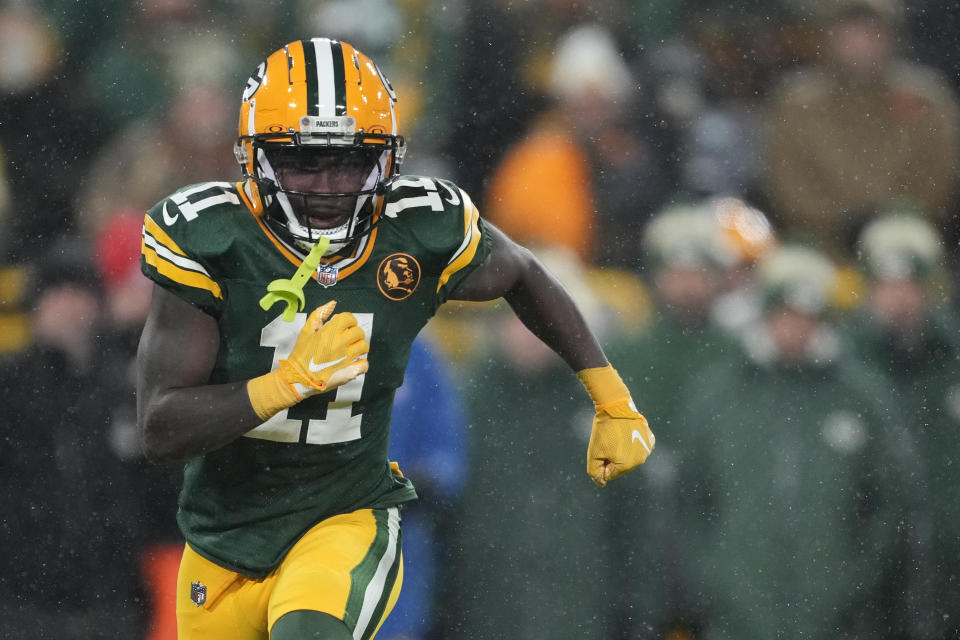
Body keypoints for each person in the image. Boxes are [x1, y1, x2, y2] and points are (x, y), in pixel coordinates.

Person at [136, 37, 655, 640]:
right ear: (255, 157)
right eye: (303, 161)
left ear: (385, 160)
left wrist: (609, 392)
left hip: (343, 518)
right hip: (222, 540)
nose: (328, 185)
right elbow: (160, 428)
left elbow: (523, 273)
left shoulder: (417, 227)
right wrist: (283, 385)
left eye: (352, 161)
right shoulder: (207, 239)